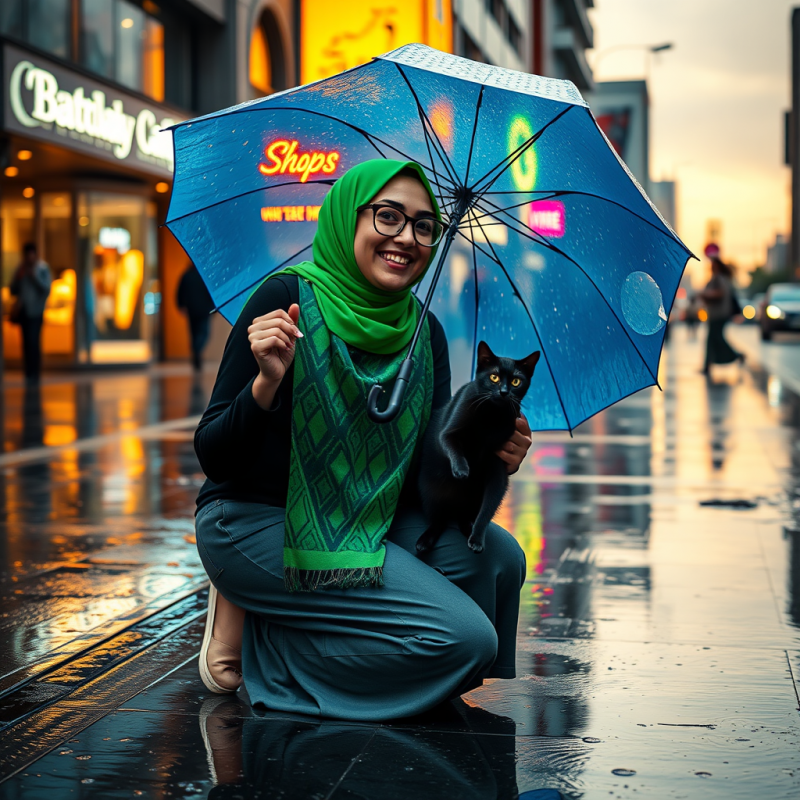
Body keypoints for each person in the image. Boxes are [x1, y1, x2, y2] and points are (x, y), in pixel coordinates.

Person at [193, 159, 533, 722]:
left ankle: (296, 619)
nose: (407, 237)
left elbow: (424, 482)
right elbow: (214, 455)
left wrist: (489, 458)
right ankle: (267, 647)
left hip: (368, 516)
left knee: (497, 561)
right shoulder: (286, 298)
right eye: (388, 216)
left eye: (423, 226)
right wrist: (265, 384)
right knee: (465, 640)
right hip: (256, 519)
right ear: (349, 219)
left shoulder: (424, 334)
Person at [9, 242, 52, 383]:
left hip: (37, 311)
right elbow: (13, 289)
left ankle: (35, 372)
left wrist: (34, 277)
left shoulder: (42, 268)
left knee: (34, 341)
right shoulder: (21, 269)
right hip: (24, 311)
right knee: (26, 343)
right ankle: (28, 373)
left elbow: (46, 288)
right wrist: (20, 277)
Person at [700, 243, 743, 376]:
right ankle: (708, 366)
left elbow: (720, 293)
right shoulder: (720, 278)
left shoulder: (719, 278)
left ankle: (736, 355)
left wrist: (705, 294)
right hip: (716, 313)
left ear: (717, 266)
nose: (711, 267)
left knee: (716, 338)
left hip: (719, 314)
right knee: (713, 339)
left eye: (713, 265)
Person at [177, 262, 215, 371]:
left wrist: (181, 305)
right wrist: (212, 307)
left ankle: (196, 351)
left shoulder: (186, 275)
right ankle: (197, 350)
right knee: (204, 333)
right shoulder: (205, 276)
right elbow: (211, 294)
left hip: (192, 309)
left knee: (194, 334)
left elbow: (180, 292)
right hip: (204, 309)